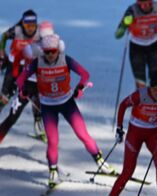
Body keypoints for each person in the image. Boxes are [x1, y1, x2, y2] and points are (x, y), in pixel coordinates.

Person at [16, 34, 115, 187]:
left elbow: (85, 74)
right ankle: (53, 171)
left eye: (53, 51)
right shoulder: (37, 62)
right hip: (48, 106)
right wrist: (22, 90)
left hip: (67, 103)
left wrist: (80, 88)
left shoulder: (65, 60)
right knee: (53, 141)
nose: (50, 55)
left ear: (58, 50)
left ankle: (101, 162)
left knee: (83, 134)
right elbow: (21, 78)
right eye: (47, 51)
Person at [96, 71, 157, 196]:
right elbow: (123, 105)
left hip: (155, 134)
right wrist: (119, 128)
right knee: (128, 170)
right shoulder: (141, 95)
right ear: (151, 89)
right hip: (135, 134)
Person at [115, 0, 157, 88]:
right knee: (140, 80)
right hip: (136, 47)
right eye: (143, 4)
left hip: (154, 45)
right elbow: (118, 34)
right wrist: (124, 25)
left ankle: (153, 100)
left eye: (149, 3)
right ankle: (142, 99)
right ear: (138, 3)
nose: (146, 6)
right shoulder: (132, 10)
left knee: (155, 79)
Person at [0, 10, 41, 135]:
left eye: (33, 25)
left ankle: (38, 129)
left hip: (28, 70)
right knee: (5, 97)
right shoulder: (17, 30)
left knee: (35, 97)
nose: (30, 28)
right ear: (23, 23)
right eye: (27, 25)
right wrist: (2, 51)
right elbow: (4, 36)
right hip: (13, 68)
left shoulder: (39, 33)